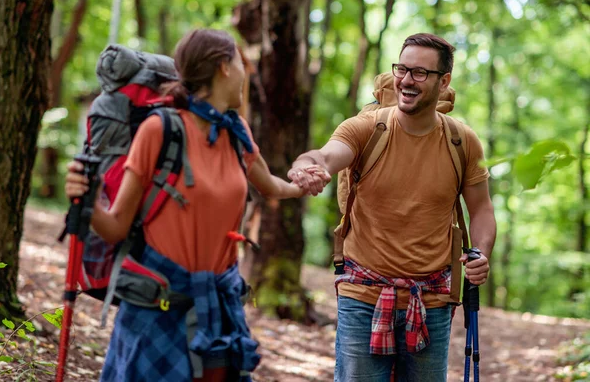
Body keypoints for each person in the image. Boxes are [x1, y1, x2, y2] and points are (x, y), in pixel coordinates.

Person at [64, 29, 329, 382]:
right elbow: (115, 226)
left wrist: (303, 184)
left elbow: (272, 186)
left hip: (220, 305)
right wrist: (87, 202)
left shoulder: (237, 132)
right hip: (159, 308)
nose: (244, 75)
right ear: (223, 67)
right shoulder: (160, 130)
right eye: (239, 62)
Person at [288, 33, 496, 381]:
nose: (406, 80)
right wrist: (309, 165)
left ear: (443, 82)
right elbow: (326, 154)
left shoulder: (462, 141)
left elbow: (482, 208)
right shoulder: (369, 128)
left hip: (432, 299)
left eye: (419, 72)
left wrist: (480, 253)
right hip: (363, 295)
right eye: (402, 68)